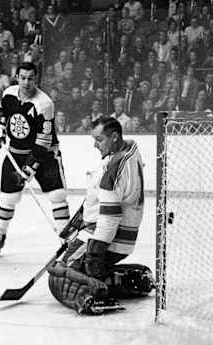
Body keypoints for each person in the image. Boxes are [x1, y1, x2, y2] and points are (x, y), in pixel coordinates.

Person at [47, 117, 154, 314]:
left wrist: (95, 252)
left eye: (99, 139)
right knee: (72, 267)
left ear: (114, 137)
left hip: (105, 235)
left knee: (59, 276)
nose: (95, 145)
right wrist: (80, 219)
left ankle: (91, 297)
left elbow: (109, 217)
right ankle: (130, 277)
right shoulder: (128, 150)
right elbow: (102, 199)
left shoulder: (113, 170)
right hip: (117, 234)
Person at [0, 62, 70, 255]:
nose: (26, 82)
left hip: (46, 153)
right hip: (16, 151)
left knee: (57, 196)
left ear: (36, 79)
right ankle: (0, 236)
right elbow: (0, 111)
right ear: (17, 77)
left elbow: (43, 142)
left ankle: (66, 240)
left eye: (30, 78)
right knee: (8, 198)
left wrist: (28, 170)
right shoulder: (9, 93)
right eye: (22, 78)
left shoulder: (45, 103)